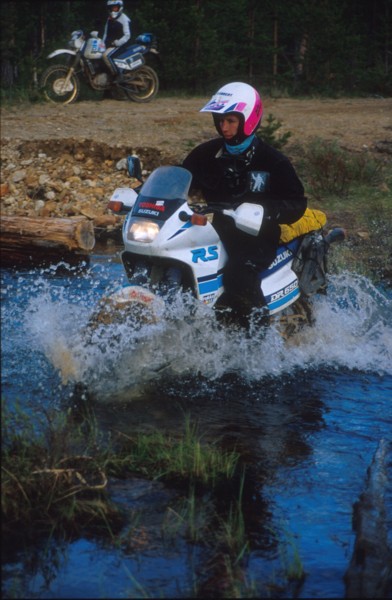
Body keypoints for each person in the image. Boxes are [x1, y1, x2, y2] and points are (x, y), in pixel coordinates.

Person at [182, 82, 307, 325]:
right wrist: (139, 191)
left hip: (259, 239)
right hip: (218, 232)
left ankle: (256, 342)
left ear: (248, 119)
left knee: (237, 275)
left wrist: (265, 211)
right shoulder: (206, 154)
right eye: (220, 120)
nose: (224, 127)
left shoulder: (272, 161)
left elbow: (297, 203)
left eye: (231, 121)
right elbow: (181, 176)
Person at [102, 0, 131, 76]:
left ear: (119, 8)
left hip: (120, 45)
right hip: (110, 45)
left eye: (115, 8)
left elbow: (127, 35)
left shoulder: (124, 19)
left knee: (106, 56)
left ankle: (118, 76)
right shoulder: (109, 19)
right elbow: (105, 33)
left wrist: (118, 42)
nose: (113, 10)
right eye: (111, 8)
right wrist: (102, 44)